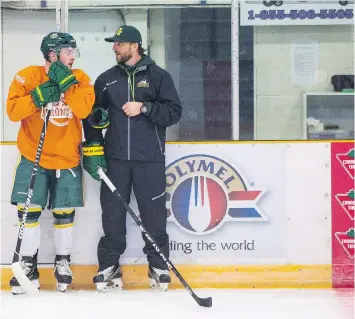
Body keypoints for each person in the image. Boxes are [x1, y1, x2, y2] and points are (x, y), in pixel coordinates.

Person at [82, 25, 182, 292]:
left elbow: (174, 112)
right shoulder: (106, 79)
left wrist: (145, 107)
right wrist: (94, 147)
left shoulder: (159, 76)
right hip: (114, 160)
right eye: (114, 44)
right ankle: (109, 265)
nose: (114, 47)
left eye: (119, 43)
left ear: (135, 46)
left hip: (150, 159)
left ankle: (158, 264)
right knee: (112, 215)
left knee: (154, 216)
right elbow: (91, 119)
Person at [7, 32, 95, 294]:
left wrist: (66, 85)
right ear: (53, 54)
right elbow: (12, 112)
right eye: (69, 51)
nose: (73, 56)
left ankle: (62, 263)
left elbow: (83, 111)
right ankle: (27, 265)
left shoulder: (80, 78)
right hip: (32, 157)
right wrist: (36, 98)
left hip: (67, 158)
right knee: (29, 212)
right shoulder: (27, 76)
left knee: (64, 213)